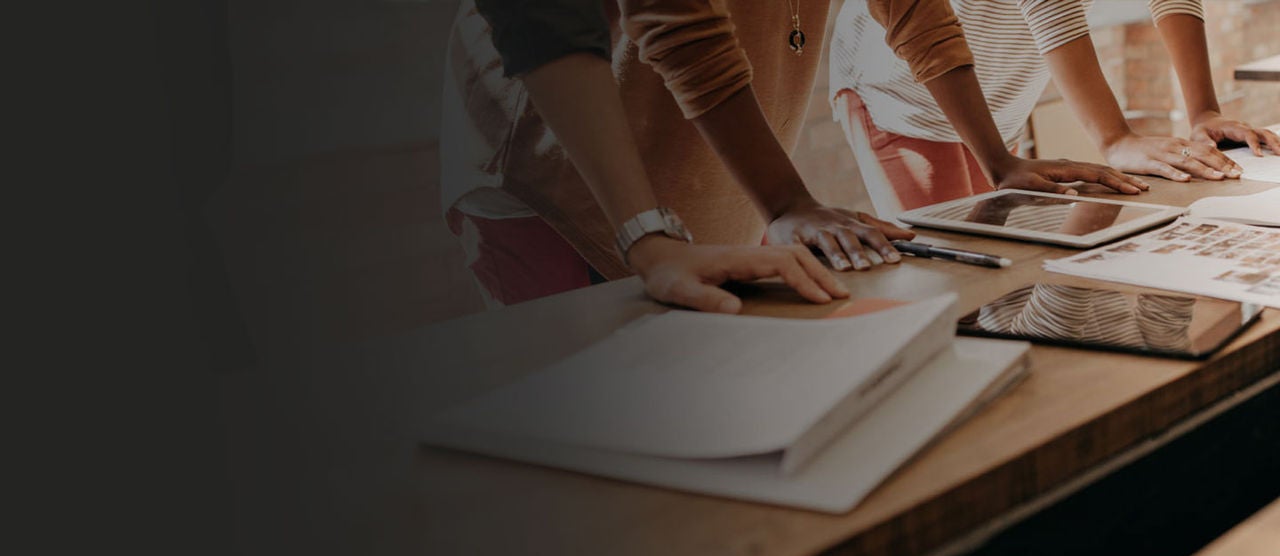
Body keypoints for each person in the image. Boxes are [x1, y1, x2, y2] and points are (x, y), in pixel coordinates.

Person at [441, 0, 1143, 310]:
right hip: (556, 168)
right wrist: (782, 201)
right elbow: (676, 16)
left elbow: (915, 9)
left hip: (701, 171)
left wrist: (998, 159)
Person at [467, 0, 850, 313]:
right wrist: (647, 238)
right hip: (561, 178)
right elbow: (672, 14)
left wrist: (784, 201)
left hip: (715, 173)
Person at [830, 0, 1280, 218]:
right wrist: (1115, 138)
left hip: (1000, 82)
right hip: (906, 89)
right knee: (956, 280)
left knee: (1009, 262)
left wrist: (1203, 111)